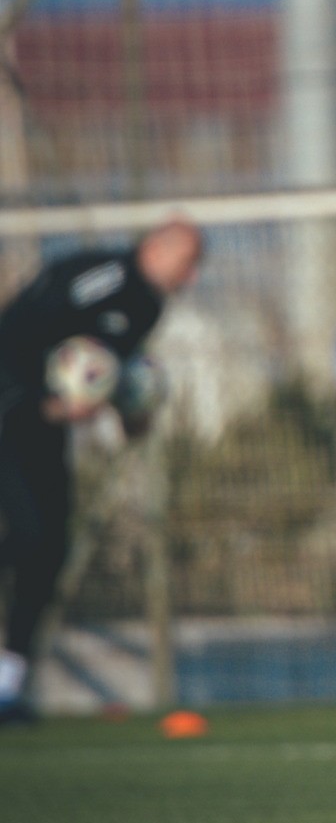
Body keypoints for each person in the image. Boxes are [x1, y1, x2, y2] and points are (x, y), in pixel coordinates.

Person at [0, 219, 204, 725]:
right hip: (10, 411)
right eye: (188, 263)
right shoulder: (106, 276)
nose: (193, 277)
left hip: (45, 429)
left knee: (50, 546)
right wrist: (45, 396)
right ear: (157, 248)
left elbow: (109, 371)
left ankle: (8, 682)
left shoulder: (150, 307)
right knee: (29, 535)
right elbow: (22, 331)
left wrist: (129, 410)